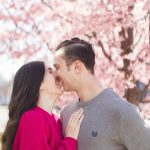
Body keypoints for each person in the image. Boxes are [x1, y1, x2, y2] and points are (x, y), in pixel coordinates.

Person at [54, 37, 150, 150]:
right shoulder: (66, 112)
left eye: (57, 67)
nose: (54, 74)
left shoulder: (123, 112)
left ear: (76, 67)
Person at [2, 61, 84, 150]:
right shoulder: (32, 118)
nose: (57, 74)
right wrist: (70, 140)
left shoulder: (56, 120)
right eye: (50, 71)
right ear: (38, 83)